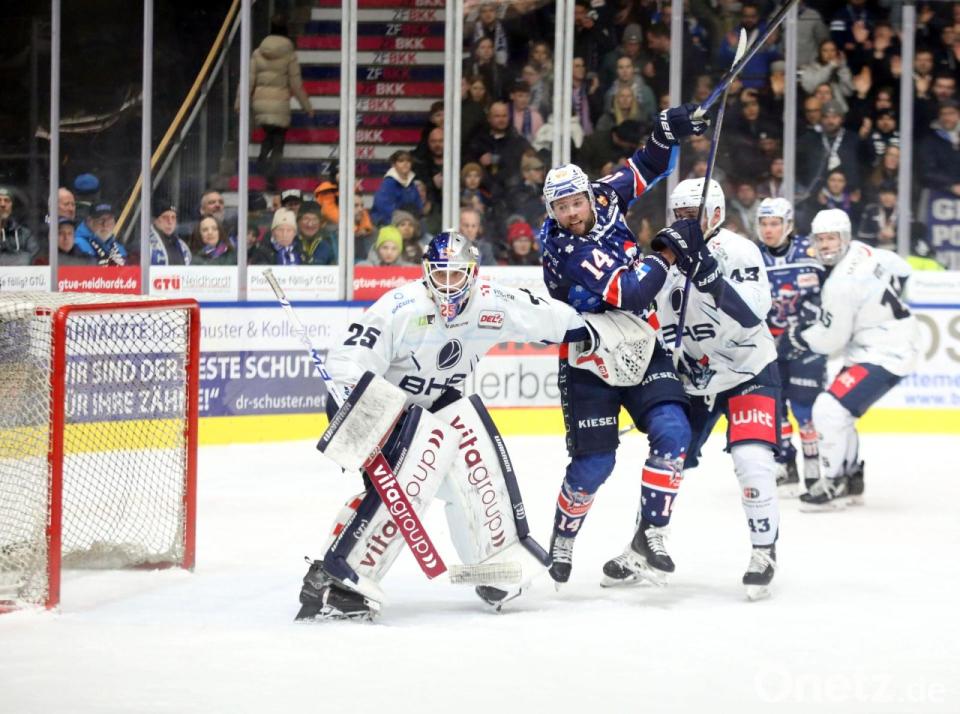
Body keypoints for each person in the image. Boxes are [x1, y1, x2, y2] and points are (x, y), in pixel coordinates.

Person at [297, 231, 644, 620]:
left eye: (456, 274)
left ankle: (490, 566)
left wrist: (597, 330)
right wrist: (357, 410)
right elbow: (350, 361)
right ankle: (334, 579)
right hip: (379, 409)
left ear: (473, 273)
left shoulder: (494, 303)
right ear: (426, 272)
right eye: (439, 274)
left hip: (434, 405)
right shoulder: (400, 308)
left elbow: (546, 317)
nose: (447, 284)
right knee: (405, 488)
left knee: (474, 467)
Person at [538, 103, 709, 590]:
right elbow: (632, 290)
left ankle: (651, 532)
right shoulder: (564, 248)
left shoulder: (606, 195)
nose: (571, 213)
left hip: (639, 339)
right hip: (590, 354)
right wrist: (668, 252)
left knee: (674, 432)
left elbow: (647, 166)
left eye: (576, 202)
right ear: (551, 212)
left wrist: (665, 130)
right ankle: (564, 537)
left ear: (588, 196)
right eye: (561, 208)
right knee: (596, 463)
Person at [614, 178, 782, 600]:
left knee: (752, 459)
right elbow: (649, 317)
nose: (686, 222)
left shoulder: (739, 251)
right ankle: (642, 545)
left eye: (695, 215)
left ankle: (764, 551)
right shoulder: (666, 259)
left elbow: (753, 314)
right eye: (681, 215)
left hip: (748, 371)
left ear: (717, 214)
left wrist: (710, 277)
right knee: (668, 457)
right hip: (696, 378)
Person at [778, 209, 919, 510]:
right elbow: (904, 271)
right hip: (887, 344)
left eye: (831, 238)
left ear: (845, 237)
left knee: (828, 409)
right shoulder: (867, 251)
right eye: (820, 239)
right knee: (842, 413)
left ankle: (832, 483)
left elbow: (832, 340)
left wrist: (797, 338)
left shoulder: (840, 283)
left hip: (883, 353)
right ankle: (851, 478)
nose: (825, 245)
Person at [756, 197, 826, 495]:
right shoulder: (753, 256)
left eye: (774, 224)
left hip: (804, 347)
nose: (768, 230)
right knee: (775, 409)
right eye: (764, 223)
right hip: (768, 348)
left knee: (804, 409)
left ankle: (813, 466)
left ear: (788, 225)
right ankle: (786, 463)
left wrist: (809, 324)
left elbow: (828, 295)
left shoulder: (810, 252)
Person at [244, 14, 314, 191]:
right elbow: (296, 84)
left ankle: (262, 158)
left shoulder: (257, 53)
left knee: (269, 133)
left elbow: (249, 81)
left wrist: (240, 102)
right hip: (279, 104)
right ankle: (271, 179)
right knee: (278, 144)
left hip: (260, 103)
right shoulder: (289, 54)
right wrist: (307, 107)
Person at [371, 150, 423, 226]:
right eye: (401, 161)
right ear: (393, 164)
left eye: (408, 161)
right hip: (387, 222)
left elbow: (418, 204)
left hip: (408, 221)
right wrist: (403, 219)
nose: (405, 163)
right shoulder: (389, 182)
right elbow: (384, 207)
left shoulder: (411, 183)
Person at [0, 186, 38, 266]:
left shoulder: (24, 234)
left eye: (7, 200)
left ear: (11, 206)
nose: (2, 204)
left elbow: (33, 258)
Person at [149, 201, 191, 266]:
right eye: (165, 217)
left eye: (173, 217)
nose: (170, 222)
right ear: (156, 220)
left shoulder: (182, 246)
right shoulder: (146, 245)